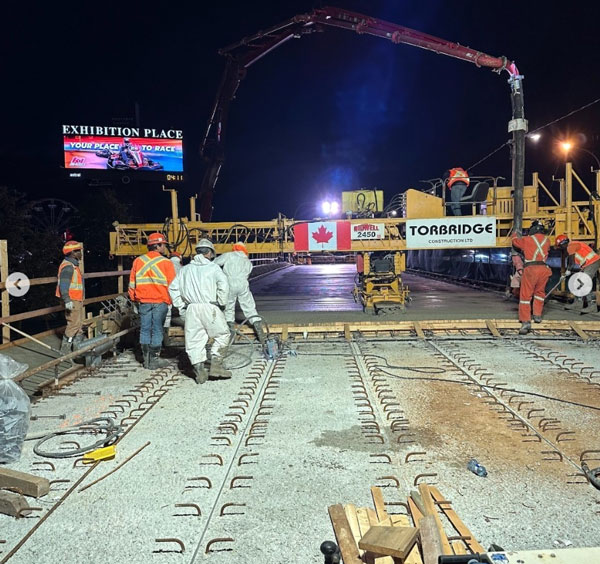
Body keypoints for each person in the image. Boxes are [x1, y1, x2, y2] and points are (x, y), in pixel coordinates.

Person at [169, 239, 231, 384]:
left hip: (191, 308)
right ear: (209, 253)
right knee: (222, 334)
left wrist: (180, 305)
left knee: (194, 341)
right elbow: (224, 285)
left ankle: (200, 373)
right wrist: (222, 302)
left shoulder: (185, 270)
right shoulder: (213, 268)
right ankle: (216, 366)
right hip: (210, 307)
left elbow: (173, 288)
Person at [128, 232, 176, 369]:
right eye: (164, 245)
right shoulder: (166, 263)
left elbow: (132, 283)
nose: (165, 248)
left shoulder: (138, 261)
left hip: (143, 301)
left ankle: (146, 360)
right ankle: (154, 360)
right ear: (158, 245)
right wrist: (173, 302)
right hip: (160, 301)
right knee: (157, 329)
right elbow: (172, 285)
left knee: (145, 328)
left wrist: (134, 299)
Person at [214, 242, 266, 343]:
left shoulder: (229, 255)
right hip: (243, 284)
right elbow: (249, 272)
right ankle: (260, 333)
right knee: (249, 307)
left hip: (229, 283)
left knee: (228, 308)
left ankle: (231, 336)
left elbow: (215, 263)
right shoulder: (247, 261)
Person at [511, 221, 551, 334]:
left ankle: (526, 321)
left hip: (531, 269)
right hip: (544, 269)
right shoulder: (547, 240)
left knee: (525, 295)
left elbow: (516, 243)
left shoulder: (527, 239)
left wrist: (514, 235)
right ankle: (537, 316)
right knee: (539, 293)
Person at [556, 234, 600, 313]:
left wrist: (567, 271)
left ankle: (592, 306)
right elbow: (570, 260)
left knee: (584, 282)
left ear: (563, 244)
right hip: (588, 264)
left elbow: (571, 262)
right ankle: (578, 303)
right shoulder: (572, 245)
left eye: (560, 246)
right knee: (577, 282)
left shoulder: (570, 246)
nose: (561, 248)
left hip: (593, 262)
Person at [56, 240, 85, 354]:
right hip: (72, 300)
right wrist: (67, 300)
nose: (81, 254)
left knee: (77, 324)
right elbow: (63, 285)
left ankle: (77, 349)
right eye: (79, 251)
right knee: (73, 324)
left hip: (75, 299)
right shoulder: (68, 267)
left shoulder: (72, 265)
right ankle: (65, 351)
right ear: (73, 253)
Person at [163, 251, 184, 342]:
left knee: (167, 314)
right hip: (177, 292)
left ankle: (165, 336)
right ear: (179, 258)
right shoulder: (181, 268)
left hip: (164, 291)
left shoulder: (164, 264)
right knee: (182, 310)